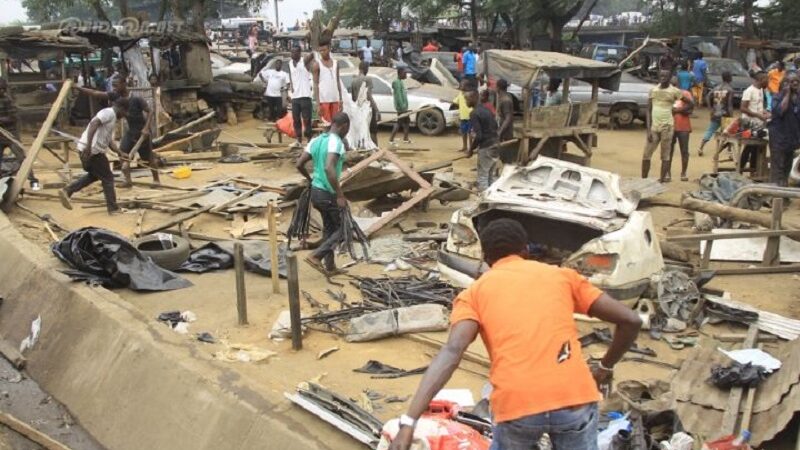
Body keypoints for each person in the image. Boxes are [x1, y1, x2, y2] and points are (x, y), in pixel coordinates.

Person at [387, 218, 642, 450]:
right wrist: (605, 367)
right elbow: (630, 320)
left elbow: (452, 352)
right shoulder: (562, 277)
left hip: (517, 406)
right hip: (573, 399)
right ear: (526, 250)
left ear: (486, 258)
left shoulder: (473, 294)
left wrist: (409, 421)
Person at [294, 112, 351, 274]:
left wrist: (310, 179)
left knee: (330, 229)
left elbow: (299, 164)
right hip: (328, 193)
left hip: (316, 192)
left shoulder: (316, 140)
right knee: (345, 230)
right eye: (348, 129)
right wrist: (340, 194)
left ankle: (330, 266)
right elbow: (328, 167)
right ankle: (316, 256)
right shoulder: (336, 142)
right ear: (344, 126)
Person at [76, 78, 159, 186]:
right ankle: (127, 180)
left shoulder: (136, 99)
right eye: (113, 86)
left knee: (149, 157)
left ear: (124, 84)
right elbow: (95, 93)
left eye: (116, 85)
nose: (114, 88)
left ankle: (156, 179)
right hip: (131, 131)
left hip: (143, 132)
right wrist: (78, 88)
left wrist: (146, 128)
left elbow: (150, 111)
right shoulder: (116, 96)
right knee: (122, 152)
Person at [59, 97, 129, 214]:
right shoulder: (108, 113)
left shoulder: (111, 120)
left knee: (95, 175)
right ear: (122, 109)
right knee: (108, 178)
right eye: (126, 112)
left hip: (88, 151)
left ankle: (68, 190)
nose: (125, 115)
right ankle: (113, 208)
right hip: (92, 152)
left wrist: (120, 153)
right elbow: (93, 124)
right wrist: (89, 147)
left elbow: (109, 141)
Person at [643, 69, 691, 182]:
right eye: (661, 75)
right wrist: (648, 129)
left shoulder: (674, 91)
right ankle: (643, 179)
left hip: (668, 127)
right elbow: (648, 110)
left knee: (665, 156)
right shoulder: (653, 90)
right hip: (654, 127)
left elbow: (690, 103)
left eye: (665, 76)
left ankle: (662, 180)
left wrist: (678, 110)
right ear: (658, 76)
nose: (663, 77)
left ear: (669, 78)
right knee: (646, 155)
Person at [0, 79, 39, 190]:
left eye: (3, 89)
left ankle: (33, 181)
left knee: (22, 159)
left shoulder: (7, 100)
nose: (2, 91)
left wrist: (1, 120)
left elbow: (13, 117)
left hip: (10, 135)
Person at [767, 74, 800, 186]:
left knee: (787, 167)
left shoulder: (798, 99)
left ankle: (783, 194)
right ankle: (773, 196)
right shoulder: (777, 97)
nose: (795, 84)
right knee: (777, 168)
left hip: (791, 140)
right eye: (791, 82)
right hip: (778, 139)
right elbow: (781, 110)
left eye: (796, 81)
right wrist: (787, 94)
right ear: (784, 85)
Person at [466, 90, 499, 191]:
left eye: (466, 99)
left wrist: (471, 149)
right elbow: (495, 127)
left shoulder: (474, 113)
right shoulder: (487, 110)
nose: (466, 102)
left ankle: (484, 202)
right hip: (496, 145)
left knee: (483, 177)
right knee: (491, 176)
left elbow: (479, 136)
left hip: (486, 147)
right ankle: (492, 200)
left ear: (473, 98)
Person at [740, 71, 770, 171]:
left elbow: (758, 106)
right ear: (761, 80)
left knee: (756, 149)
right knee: (750, 146)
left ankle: (753, 170)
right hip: (749, 123)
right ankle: (740, 168)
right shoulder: (749, 91)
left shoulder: (761, 90)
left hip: (758, 123)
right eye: (767, 80)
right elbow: (743, 108)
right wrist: (757, 115)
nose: (768, 82)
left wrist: (764, 112)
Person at [699, 70, 734, 156]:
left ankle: (701, 147)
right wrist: (731, 116)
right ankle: (729, 151)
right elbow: (729, 105)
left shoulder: (716, 88)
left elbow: (707, 97)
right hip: (725, 114)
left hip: (715, 113)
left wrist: (710, 109)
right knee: (728, 133)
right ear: (729, 78)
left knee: (710, 131)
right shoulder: (730, 90)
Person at [288, 46, 315, 148]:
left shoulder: (304, 62)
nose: (293, 54)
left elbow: (312, 54)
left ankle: (309, 140)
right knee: (296, 119)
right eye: (292, 52)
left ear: (300, 53)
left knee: (307, 120)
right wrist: (292, 87)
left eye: (295, 52)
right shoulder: (290, 63)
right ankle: (298, 140)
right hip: (295, 97)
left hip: (305, 96)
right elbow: (291, 75)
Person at [313, 40, 343, 124]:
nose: (322, 52)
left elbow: (338, 81)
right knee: (326, 125)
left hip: (335, 99)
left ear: (329, 49)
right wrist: (318, 104)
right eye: (320, 51)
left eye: (324, 50)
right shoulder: (317, 64)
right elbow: (315, 84)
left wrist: (340, 99)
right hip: (324, 101)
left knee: (335, 124)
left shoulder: (336, 63)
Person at [670, 81, 694, 182]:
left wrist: (676, 111)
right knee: (669, 150)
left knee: (684, 151)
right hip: (670, 125)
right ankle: (667, 172)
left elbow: (690, 110)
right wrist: (682, 110)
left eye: (675, 85)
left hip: (684, 126)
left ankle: (683, 173)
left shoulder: (686, 94)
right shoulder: (667, 94)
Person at [351, 61, 380, 146]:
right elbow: (369, 95)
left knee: (361, 131)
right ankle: (376, 149)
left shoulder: (354, 81)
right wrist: (376, 109)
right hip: (368, 109)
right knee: (372, 131)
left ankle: (362, 149)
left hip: (358, 110)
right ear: (365, 69)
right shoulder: (368, 79)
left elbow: (353, 98)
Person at [389, 67, 411, 146]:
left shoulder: (400, 82)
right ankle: (391, 139)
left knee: (407, 122)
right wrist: (402, 107)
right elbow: (398, 96)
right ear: (400, 74)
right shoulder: (396, 82)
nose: (406, 75)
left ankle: (406, 138)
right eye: (404, 74)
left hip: (404, 107)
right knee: (399, 122)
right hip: (401, 107)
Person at [453, 79, 473, 152]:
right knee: (463, 132)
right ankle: (464, 146)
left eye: (462, 85)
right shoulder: (460, 94)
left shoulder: (471, 94)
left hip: (470, 116)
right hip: (463, 117)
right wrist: (444, 101)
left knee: (470, 133)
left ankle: (471, 148)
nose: (460, 86)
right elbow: (455, 102)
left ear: (467, 86)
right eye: (461, 85)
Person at [496, 78, 514, 143]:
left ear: (498, 88)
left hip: (505, 133)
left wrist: (500, 132)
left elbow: (508, 118)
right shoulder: (506, 96)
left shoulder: (505, 100)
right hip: (504, 130)